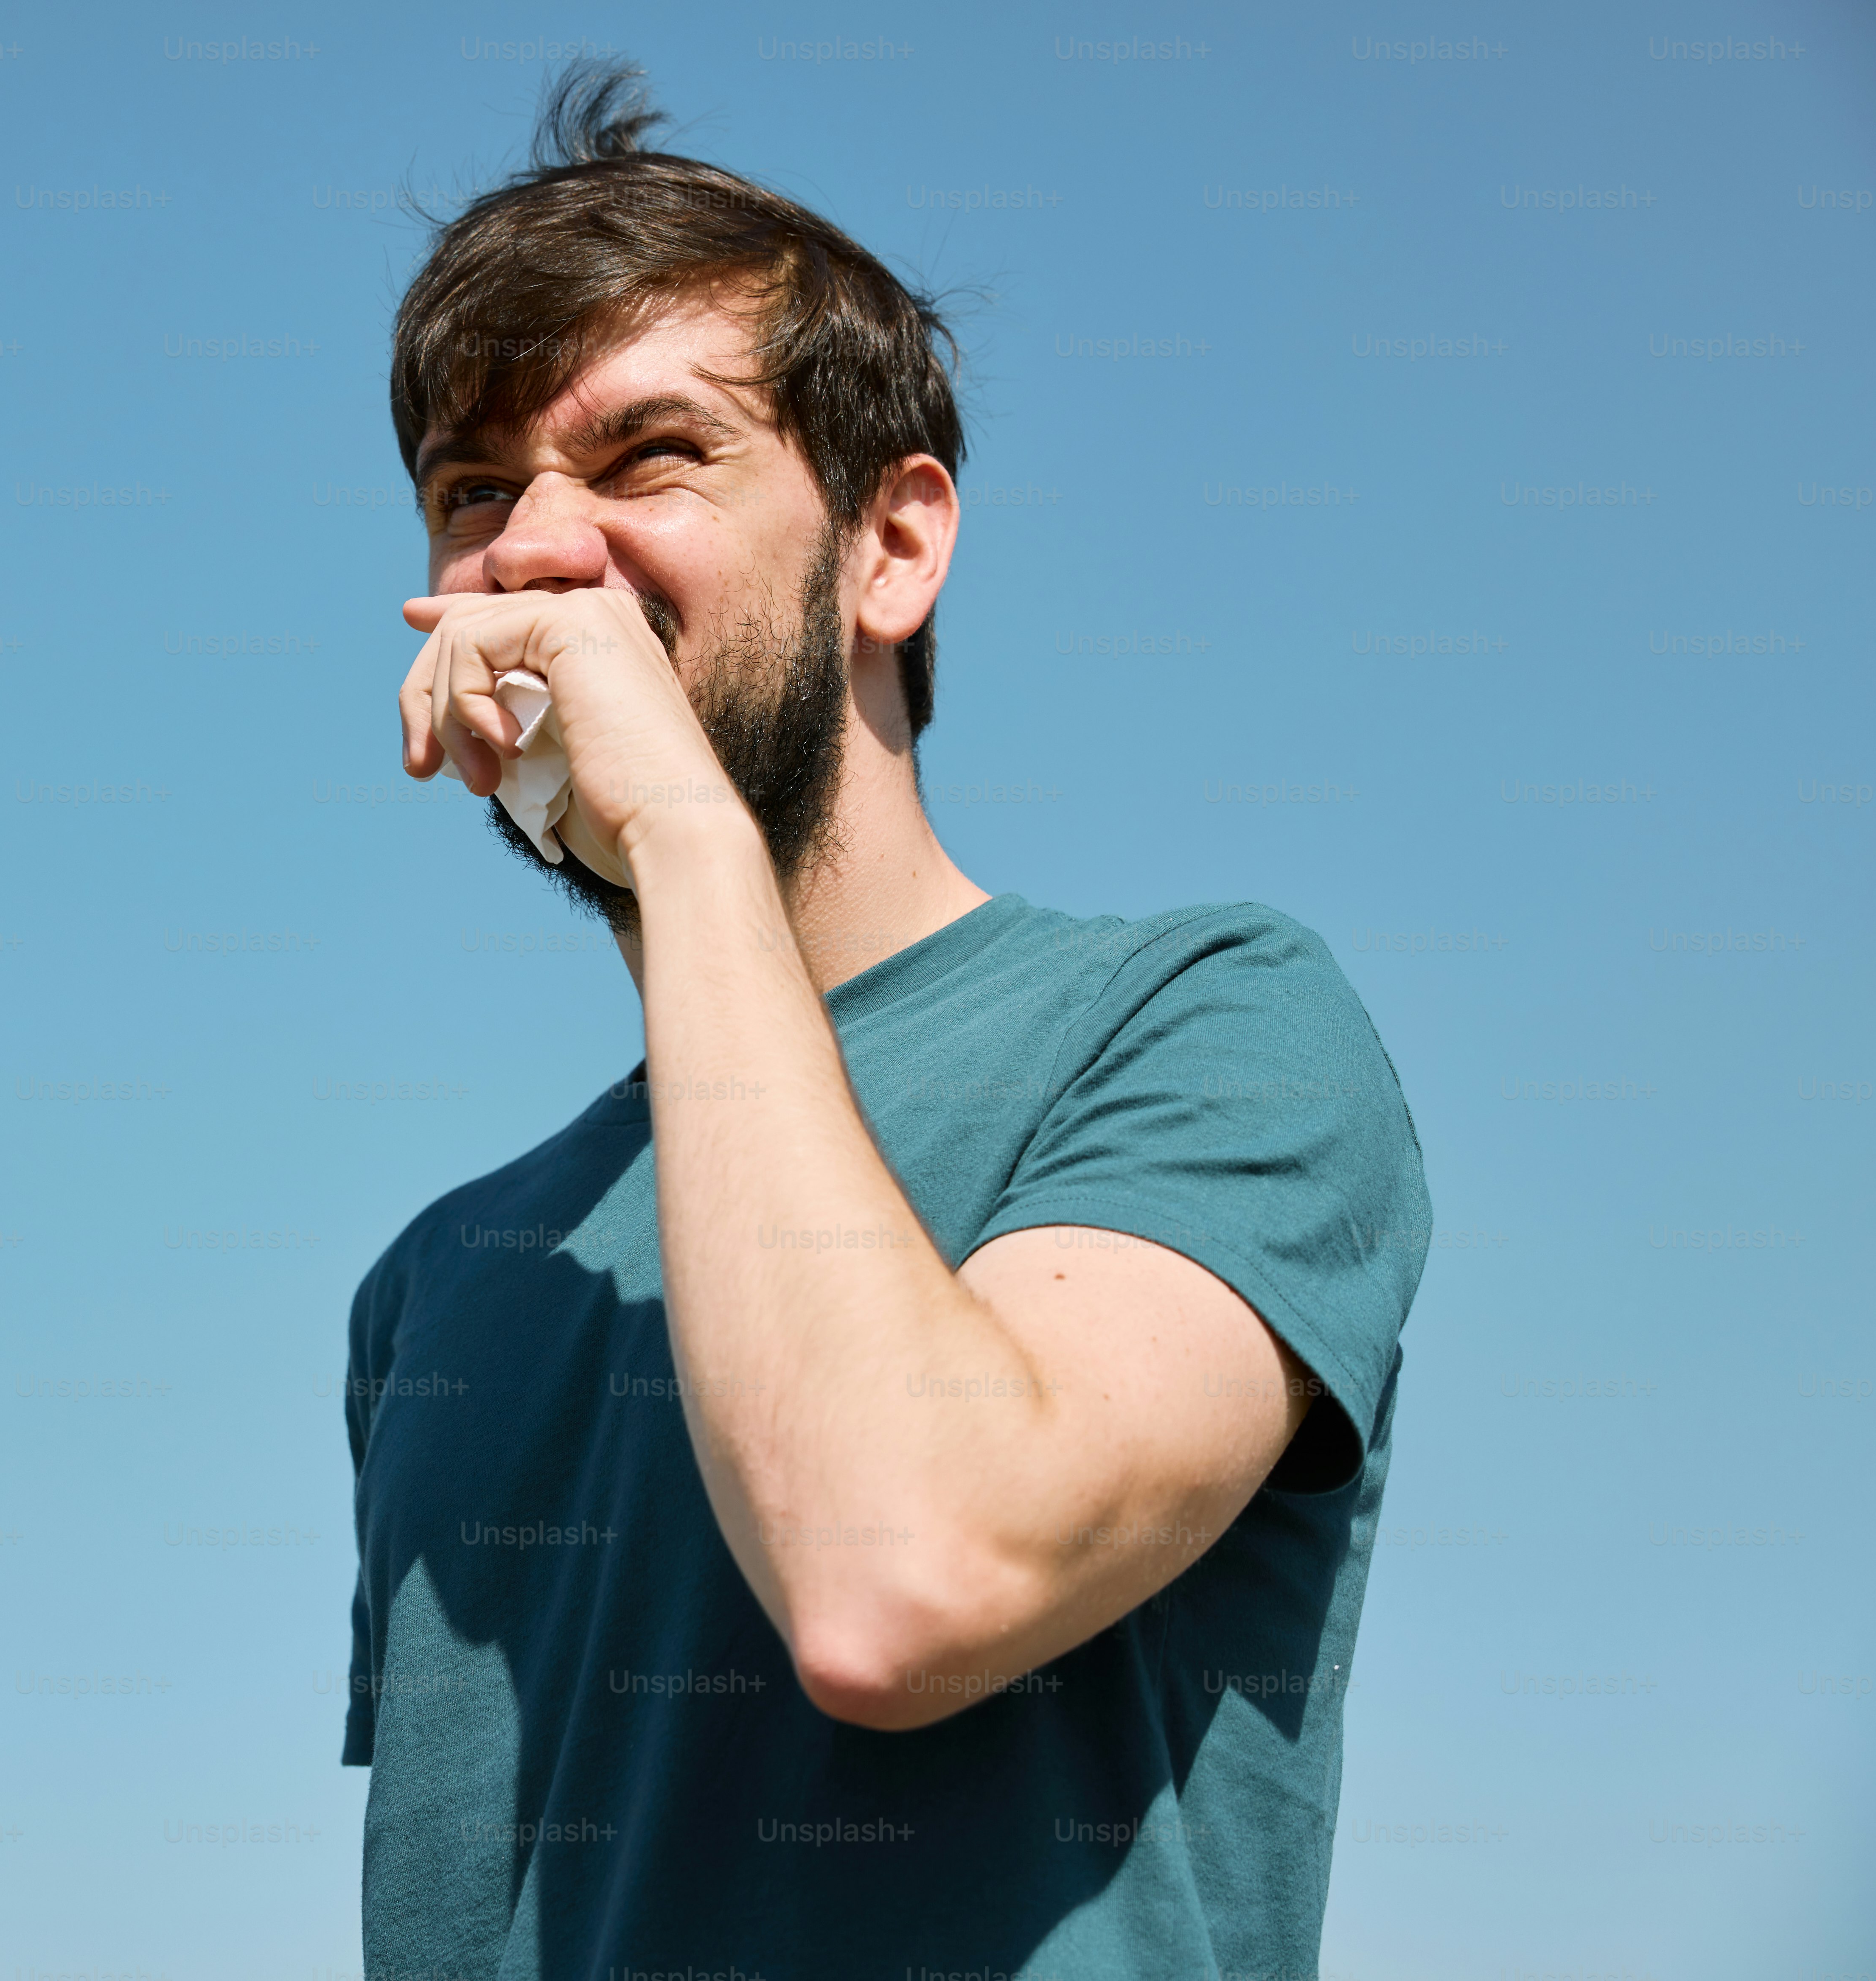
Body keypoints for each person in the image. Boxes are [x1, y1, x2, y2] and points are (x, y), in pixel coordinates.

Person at [340, 62, 1431, 1979]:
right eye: (473, 490)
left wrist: (680, 824)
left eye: (648, 455)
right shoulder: (433, 1285)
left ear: (894, 544)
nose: (533, 551)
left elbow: (904, 1579)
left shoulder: (1205, 1026)